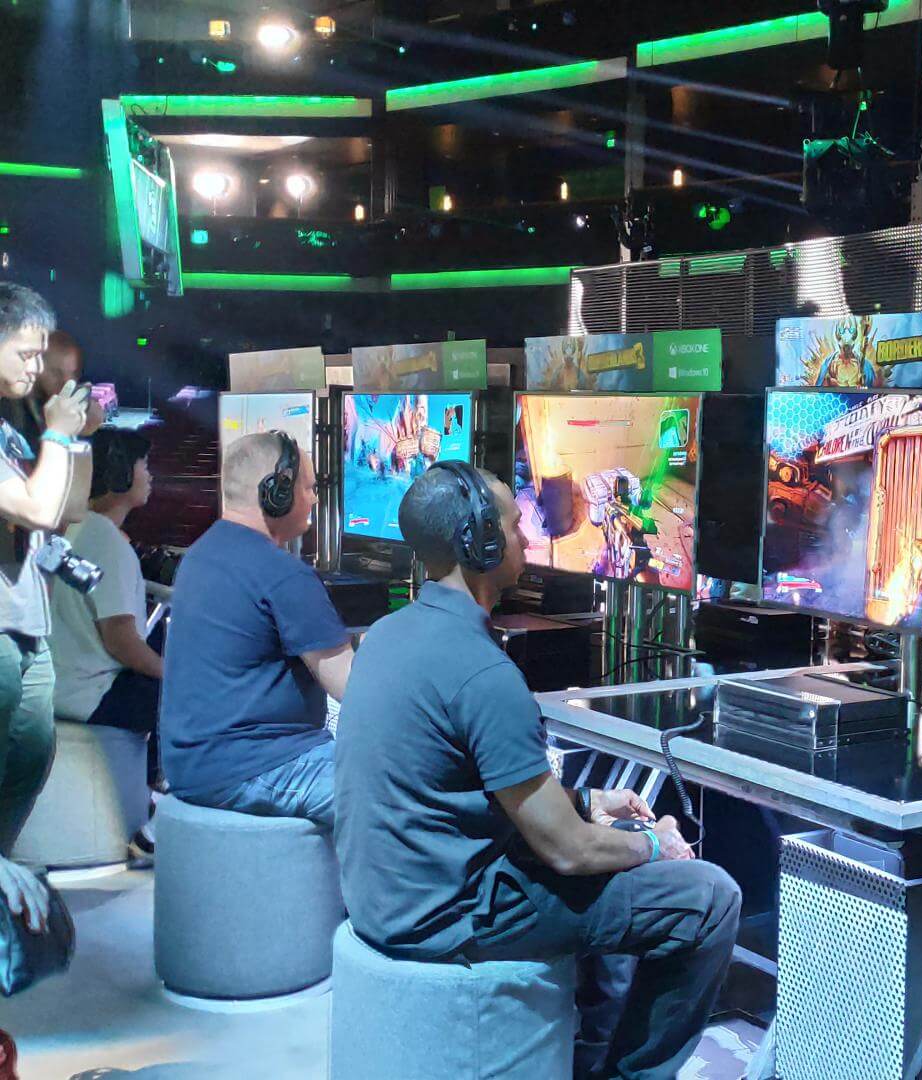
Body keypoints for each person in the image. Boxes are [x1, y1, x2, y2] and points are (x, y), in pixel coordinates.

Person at [335, 463, 741, 1080]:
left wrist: (586, 803)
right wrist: (656, 844)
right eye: (511, 523)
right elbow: (569, 853)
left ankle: (586, 1056)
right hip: (451, 917)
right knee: (709, 897)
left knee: (613, 860)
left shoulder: (388, 636)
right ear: (480, 542)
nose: (526, 533)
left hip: (389, 897)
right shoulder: (483, 674)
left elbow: (465, 787)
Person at [160, 431, 352, 828]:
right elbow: (353, 688)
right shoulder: (282, 574)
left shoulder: (200, 555)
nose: (315, 499)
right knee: (402, 789)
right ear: (276, 492)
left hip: (191, 766)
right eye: (309, 488)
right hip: (260, 766)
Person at [0, 283, 93, 939]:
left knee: (28, 764)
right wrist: (58, 434)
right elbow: (35, 507)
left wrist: (74, 440)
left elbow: (64, 509)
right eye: (27, 354)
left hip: (27, 627)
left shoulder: (10, 428)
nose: (37, 370)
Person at [48, 428, 164, 855]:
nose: (150, 475)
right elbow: (120, 641)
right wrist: (172, 673)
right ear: (120, 473)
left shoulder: (74, 529)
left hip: (59, 684)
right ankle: (161, 817)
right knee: (191, 696)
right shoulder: (109, 544)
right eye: (143, 465)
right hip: (91, 694)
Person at [0, 330, 104, 449]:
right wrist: (58, 432)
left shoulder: (63, 401)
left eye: (74, 373)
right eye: (56, 373)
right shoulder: (12, 405)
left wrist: (86, 419)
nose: (67, 383)